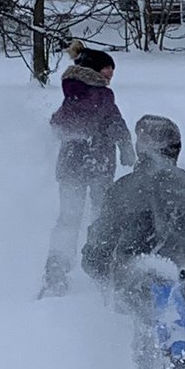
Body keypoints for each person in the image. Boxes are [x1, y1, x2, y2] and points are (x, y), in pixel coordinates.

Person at [82, 114, 185, 315]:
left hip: (133, 287)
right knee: (182, 330)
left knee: (140, 329)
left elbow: (102, 239)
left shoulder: (123, 189)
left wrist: (97, 264)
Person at [41, 47, 135, 297]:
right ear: (94, 71)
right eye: (107, 73)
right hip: (98, 165)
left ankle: (56, 270)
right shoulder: (101, 95)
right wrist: (126, 148)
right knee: (101, 217)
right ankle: (98, 268)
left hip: (71, 165)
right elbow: (115, 123)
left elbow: (57, 124)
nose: (109, 79)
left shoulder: (72, 91)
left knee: (68, 218)